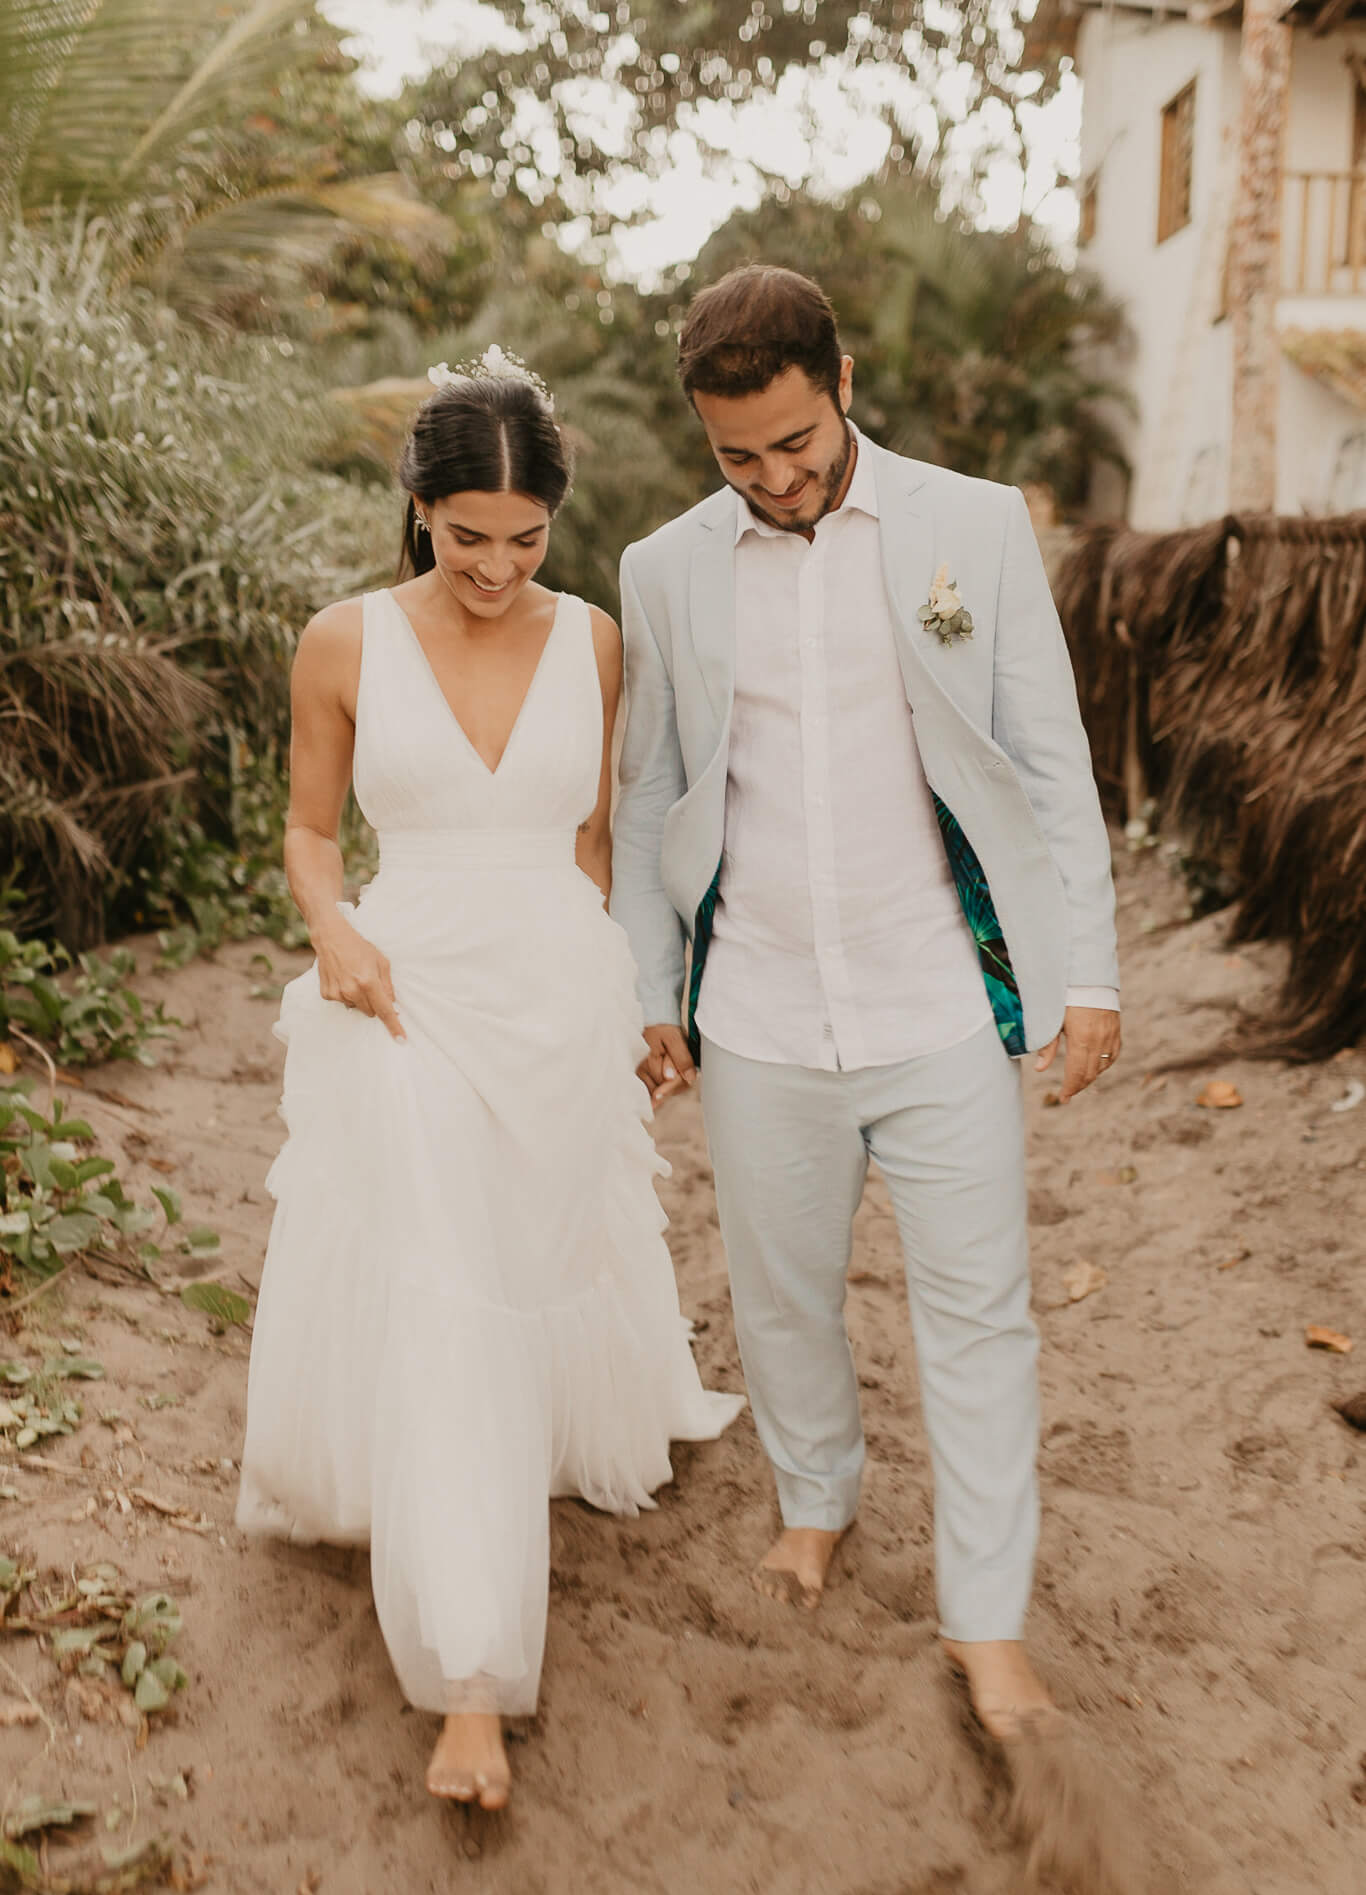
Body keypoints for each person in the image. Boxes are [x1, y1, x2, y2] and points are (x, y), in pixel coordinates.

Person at [609, 268, 1121, 1743]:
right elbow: (651, 795)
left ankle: (985, 1621)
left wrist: (1083, 973)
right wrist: (656, 988)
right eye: (735, 457)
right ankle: (814, 1502)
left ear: (838, 381)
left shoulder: (971, 525)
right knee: (778, 1303)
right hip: (757, 1009)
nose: (773, 480)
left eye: (793, 443)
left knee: (979, 1314)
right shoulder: (665, 569)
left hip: (938, 1000)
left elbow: (1042, 755)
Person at [236, 351, 743, 1810]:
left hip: (557, 990)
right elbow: (310, 834)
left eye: (525, 541)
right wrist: (330, 928)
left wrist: (643, 1000)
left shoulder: (592, 642)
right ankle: (469, 1678)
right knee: (447, 1283)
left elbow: (602, 846)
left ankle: (517, 1481)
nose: (497, 568)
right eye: (468, 538)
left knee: (527, 1252)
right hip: (401, 991)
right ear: (416, 508)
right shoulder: (341, 642)